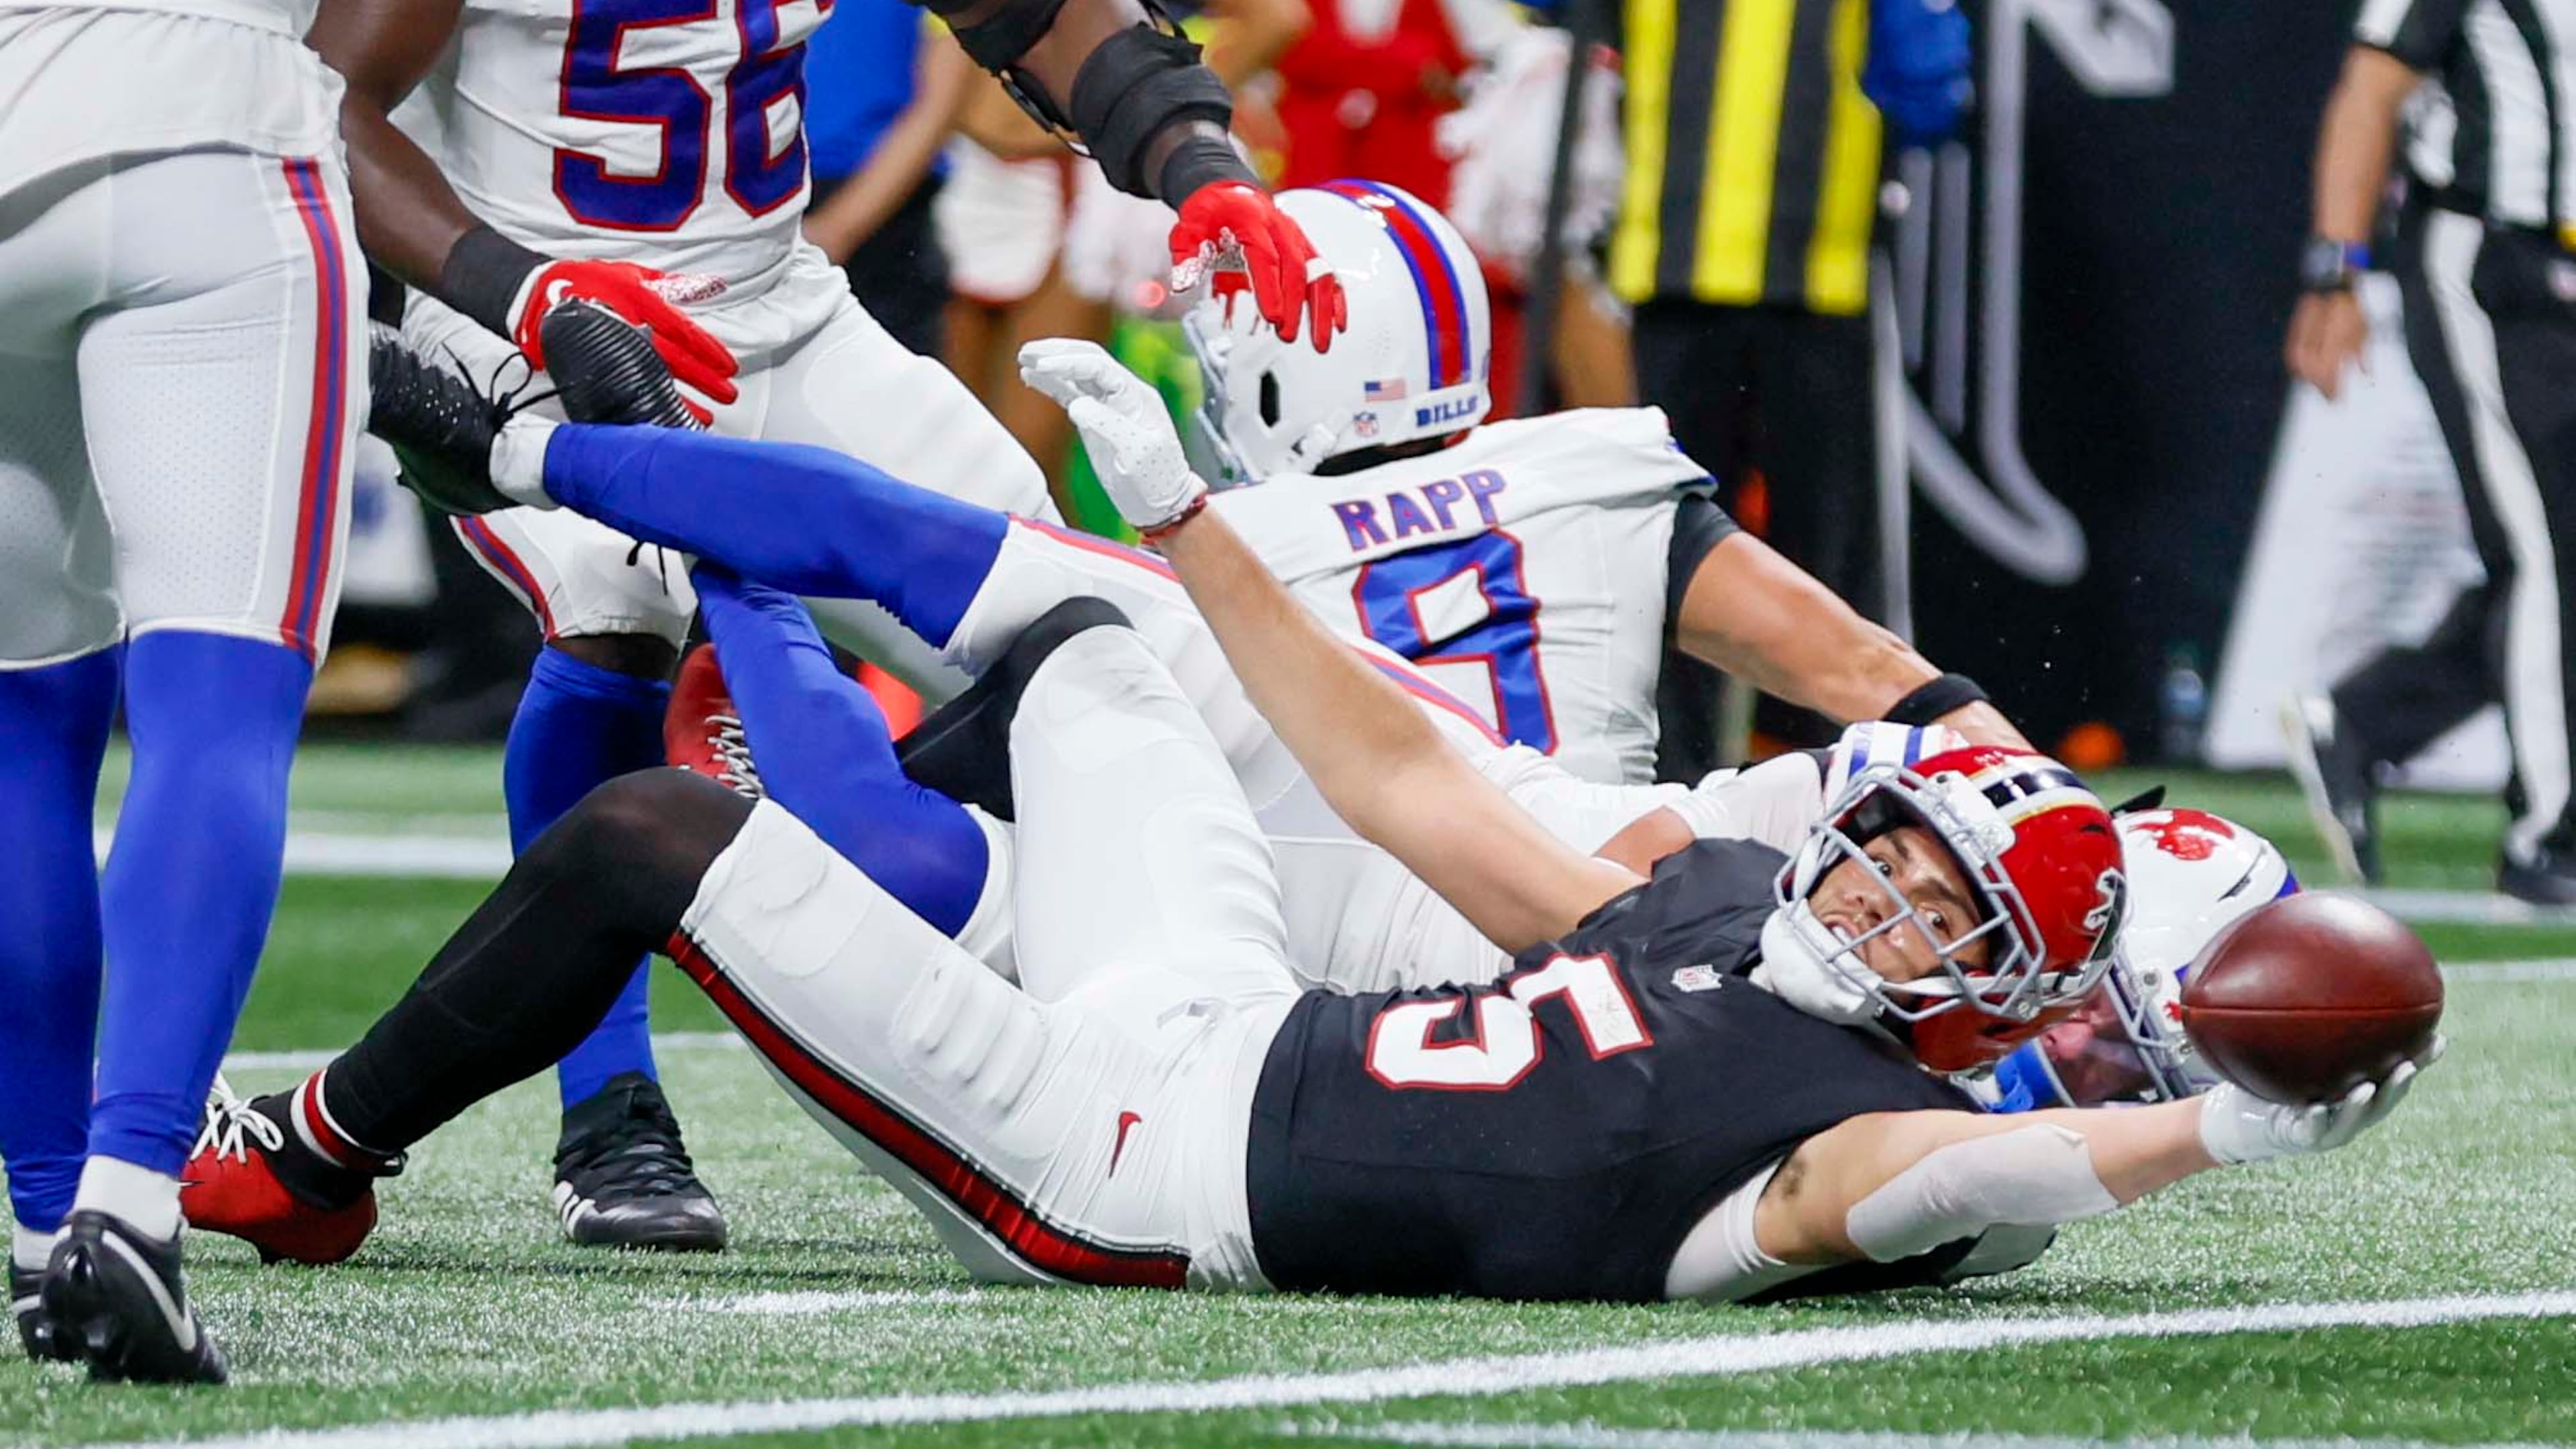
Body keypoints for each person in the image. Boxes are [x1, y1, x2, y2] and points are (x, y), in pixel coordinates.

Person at [189, 330, 2432, 1307]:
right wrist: (1186, 527)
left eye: (1946, 913)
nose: (1883, 889)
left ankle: (310, 1165)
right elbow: (1392, 774)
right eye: (1902, 852)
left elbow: (1983, 1169)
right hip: (1229, 999)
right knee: (1087, 652)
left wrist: (2217, 1134)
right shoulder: (1729, 897)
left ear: (2009, 1011)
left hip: (1119, 1164)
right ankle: (660, 526)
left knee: (658, 835)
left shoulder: (1862, 1156)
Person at [307, 0, 1348, 1250]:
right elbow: (326, 105)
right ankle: (609, 1113)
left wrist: (1199, 165)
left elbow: (1042, 14)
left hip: (779, 315)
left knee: (1064, 609)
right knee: (615, 604)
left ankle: (1212, 1017)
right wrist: (520, 290)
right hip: (521, 318)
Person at [1180, 181, 2024, 789]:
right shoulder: (1589, 475)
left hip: (1361, 998)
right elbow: (1872, 673)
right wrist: (2052, 818)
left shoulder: (1232, 549)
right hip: (1620, 959)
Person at [0, 0, 362, 1385]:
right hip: (216, 133)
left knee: (22, 728)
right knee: (216, 705)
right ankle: (130, 1201)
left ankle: (48, 1240)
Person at [1609, 0, 1973, 769]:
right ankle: (1676, 775)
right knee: (1667, 548)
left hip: (1808, 269)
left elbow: (1928, 84)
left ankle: (1838, 774)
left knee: (1812, 557)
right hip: (1684, 266)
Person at [2281, 0, 2576, 902]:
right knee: (2549, 551)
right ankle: (2553, 835)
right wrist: (2337, 272)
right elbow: (2371, 92)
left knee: (2550, 557)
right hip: (2495, 261)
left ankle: (2368, 721)